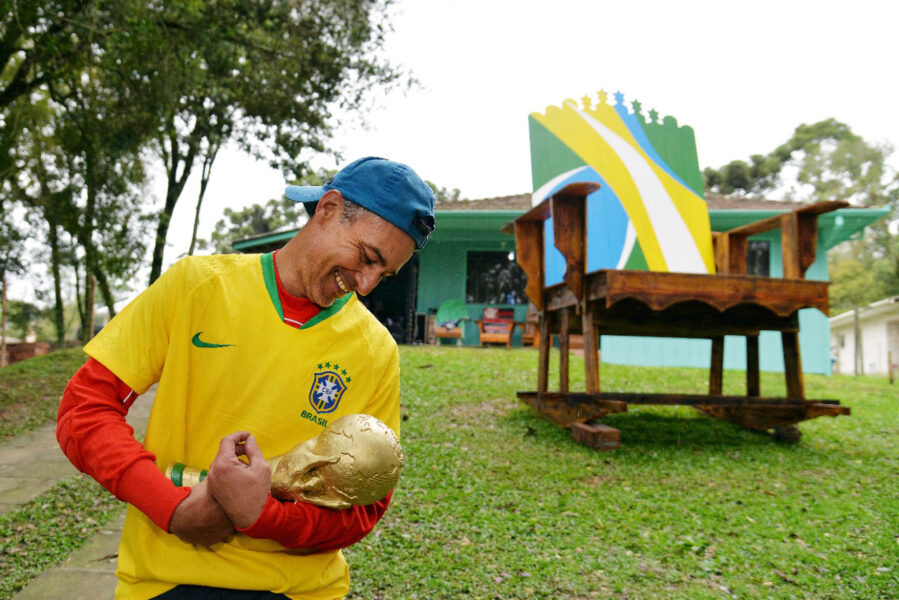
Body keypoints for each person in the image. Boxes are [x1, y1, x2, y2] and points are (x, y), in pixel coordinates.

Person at [57, 157, 436, 600]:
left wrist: (261, 516)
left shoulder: (375, 350)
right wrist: (171, 506)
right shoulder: (195, 286)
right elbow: (84, 411)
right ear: (328, 208)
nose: (368, 284)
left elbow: (366, 504)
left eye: (384, 273)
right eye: (367, 257)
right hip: (168, 581)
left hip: (301, 591)